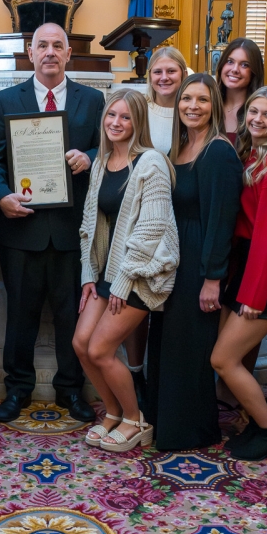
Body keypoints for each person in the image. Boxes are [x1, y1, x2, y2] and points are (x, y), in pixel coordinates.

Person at [0, 22, 104, 423]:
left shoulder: (92, 100)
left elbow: (111, 151)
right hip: (22, 230)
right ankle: (17, 389)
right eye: (42, 46)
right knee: (20, 316)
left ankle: (71, 390)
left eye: (57, 45)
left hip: (73, 232)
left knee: (72, 316)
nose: (50, 52)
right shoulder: (6, 100)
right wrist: (2, 197)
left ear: (69, 54)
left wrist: (89, 155)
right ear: (30, 54)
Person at [74, 89, 178, 452]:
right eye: (111, 116)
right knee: (81, 344)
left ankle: (135, 420)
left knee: (101, 350)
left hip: (140, 274)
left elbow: (151, 230)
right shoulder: (102, 161)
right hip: (107, 274)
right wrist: (89, 275)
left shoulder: (151, 162)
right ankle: (113, 412)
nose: (116, 123)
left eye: (125, 117)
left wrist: (121, 280)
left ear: (138, 122)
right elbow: (90, 222)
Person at [146, 73, 242, 450]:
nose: (192, 106)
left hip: (200, 260)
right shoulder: (180, 147)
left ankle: (192, 431)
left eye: (202, 100)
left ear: (214, 106)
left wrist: (212, 278)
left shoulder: (218, 151)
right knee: (169, 343)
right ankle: (165, 421)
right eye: (187, 99)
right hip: (175, 258)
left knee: (190, 347)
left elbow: (222, 220)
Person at [211, 86, 267, 461]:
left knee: (223, 359)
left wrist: (254, 294)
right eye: (253, 112)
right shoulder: (252, 154)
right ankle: (253, 421)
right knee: (230, 356)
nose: (258, 120)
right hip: (249, 264)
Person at [215, 38, 264, 138]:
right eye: (230, 61)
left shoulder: (260, 113)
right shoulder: (209, 106)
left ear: (254, 72)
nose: (235, 69)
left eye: (244, 65)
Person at [147, 46, 188, 154]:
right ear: (150, 77)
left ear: (184, 75)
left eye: (171, 71)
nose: (164, 77)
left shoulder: (192, 112)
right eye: (157, 72)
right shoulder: (138, 111)